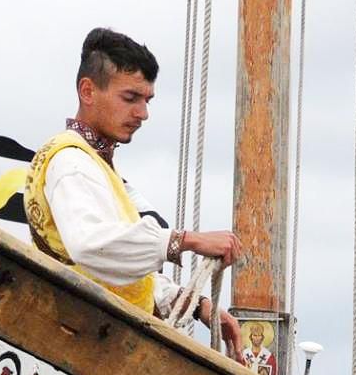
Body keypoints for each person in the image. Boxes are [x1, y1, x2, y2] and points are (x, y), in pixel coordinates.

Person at [24, 27, 242, 357]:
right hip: (84, 344)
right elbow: (91, 245)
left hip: (98, 339)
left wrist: (196, 305)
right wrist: (188, 241)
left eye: (147, 100)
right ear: (88, 91)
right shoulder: (72, 162)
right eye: (130, 98)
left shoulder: (94, 163)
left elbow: (119, 274)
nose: (143, 113)